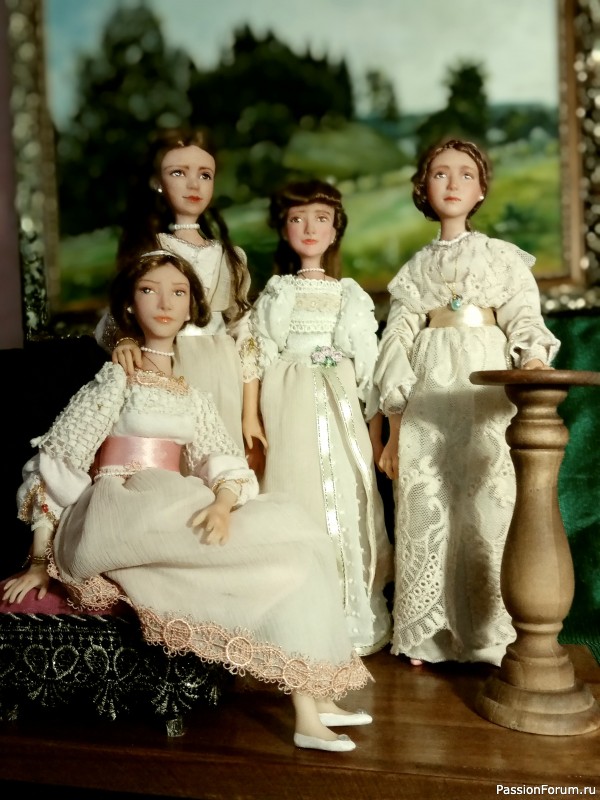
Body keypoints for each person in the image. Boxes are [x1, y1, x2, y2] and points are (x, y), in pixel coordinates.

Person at [4, 250, 373, 752]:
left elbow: (223, 461)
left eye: (178, 293)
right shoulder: (117, 378)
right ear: (129, 305)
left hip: (173, 504)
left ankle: (314, 702)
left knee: (300, 545)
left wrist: (221, 504)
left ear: (191, 307)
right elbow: (58, 462)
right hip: (118, 514)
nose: (165, 303)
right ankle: (308, 713)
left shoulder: (190, 395)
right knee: (279, 553)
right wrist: (38, 562)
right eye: (149, 291)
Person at [374, 138, 561, 667]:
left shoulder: (500, 257)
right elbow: (397, 340)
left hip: (484, 383)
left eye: (465, 174)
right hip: (430, 390)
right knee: (428, 496)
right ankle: (427, 634)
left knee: (488, 497)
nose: (452, 183)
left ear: (480, 191)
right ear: (424, 188)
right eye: (440, 174)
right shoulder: (415, 268)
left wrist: (532, 357)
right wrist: (394, 422)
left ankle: (490, 634)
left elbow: (523, 314)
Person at [241, 179, 393, 656]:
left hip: (340, 400)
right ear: (284, 229)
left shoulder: (349, 294)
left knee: (349, 496)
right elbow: (257, 354)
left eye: (321, 219)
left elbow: (368, 369)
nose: (310, 229)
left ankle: (351, 614)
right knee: (296, 489)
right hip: (289, 402)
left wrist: (374, 435)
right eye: (297, 219)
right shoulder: (278, 292)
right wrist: (253, 418)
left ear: (335, 230)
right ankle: (297, 616)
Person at [95, 126, 251, 450]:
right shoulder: (151, 251)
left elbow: (243, 329)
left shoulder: (231, 257)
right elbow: (118, 315)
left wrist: (252, 410)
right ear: (158, 182)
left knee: (220, 451)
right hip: (166, 360)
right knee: (172, 447)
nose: (194, 184)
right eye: (178, 173)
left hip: (224, 368)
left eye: (205, 175)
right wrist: (126, 338)